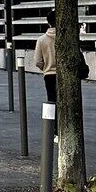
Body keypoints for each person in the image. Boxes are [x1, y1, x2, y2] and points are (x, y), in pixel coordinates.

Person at [33, 10, 57, 138]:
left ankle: (56, 131)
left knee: (52, 101)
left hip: (50, 75)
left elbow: (37, 61)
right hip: (66, 75)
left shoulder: (42, 40)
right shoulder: (68, 37)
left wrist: (46, 68)